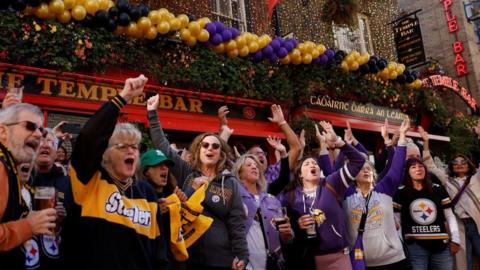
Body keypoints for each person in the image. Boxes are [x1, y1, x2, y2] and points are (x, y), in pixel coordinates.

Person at [61, 75, 167, 270]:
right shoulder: (90, 180)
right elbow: (89, 137)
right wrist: (124, 96)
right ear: (105, 154)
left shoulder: (147, 193)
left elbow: (159, 251)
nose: (131, 151)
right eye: (122, 146)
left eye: (135, 147)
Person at [147, 94, 248, 270]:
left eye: (215, 146)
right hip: (187, 257)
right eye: (205, 145)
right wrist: (152, 114)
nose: (210, 148)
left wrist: (242, 256)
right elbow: (162, 146)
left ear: (221, 154)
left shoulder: (230, 182)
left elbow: (236, 224)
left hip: (221, 259)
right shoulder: (186, 171)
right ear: (198, 150)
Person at [281, 121, 365, 270]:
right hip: (308, 260)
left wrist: (340, 143)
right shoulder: (291, 195)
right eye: (307, 164)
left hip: (338, 257)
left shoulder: (331, 183)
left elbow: (358, 161)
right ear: (300, 174)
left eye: (315, 163)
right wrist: (296, 226)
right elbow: (285, 226)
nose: (312, 165)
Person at [343, 119, 411, 270]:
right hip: (361, 262)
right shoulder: (345, 193)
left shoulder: (384, 188)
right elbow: (331, 172)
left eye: (368, 168)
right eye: (361, 168)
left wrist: (401, 138)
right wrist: (344, 144)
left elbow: (397, 166)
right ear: (352, 174)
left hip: (393, 260)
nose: (366, 170)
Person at [0, 103, 57, 270]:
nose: (39, 134)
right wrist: (29, 226)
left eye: (42, 130)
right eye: (30, 126)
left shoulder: (10, 166)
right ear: (3, 132)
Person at [420, 126, 479, 270]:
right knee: (462, 263)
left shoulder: (477, 178)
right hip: (459, 225)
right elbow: (430, 165)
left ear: (469, 164)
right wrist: (426, 142)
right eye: (455, 163)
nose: (459, 165)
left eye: (463, 162)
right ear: (451, 167)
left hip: (477, 223)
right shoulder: (446, 180)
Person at [393, 156, 460, 270]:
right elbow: (396, 221)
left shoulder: (438, 189)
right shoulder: (400, 193)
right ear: (407, 172)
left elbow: (449, 216)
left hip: (441, 245)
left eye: (421, 166)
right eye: (413, 167)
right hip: (414, 245)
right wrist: (400, 246)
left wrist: (456, 239)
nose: (418, 169)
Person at [232, 154, 294, 270]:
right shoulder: (235, 198)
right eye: (249, 165)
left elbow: (287, 237)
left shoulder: (272, 200)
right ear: (239, 172)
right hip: (245, 265)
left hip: (275, 263)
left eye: (256, 166)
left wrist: (288, 234)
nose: (254, 167)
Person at [26, 128, 71, 270]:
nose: (45, 145)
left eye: (50, 142)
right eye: (41, 141)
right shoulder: (22, 178)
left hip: (57, 257)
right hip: (26, 253)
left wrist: (63, 219)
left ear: (56, 151)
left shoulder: (67, 182)